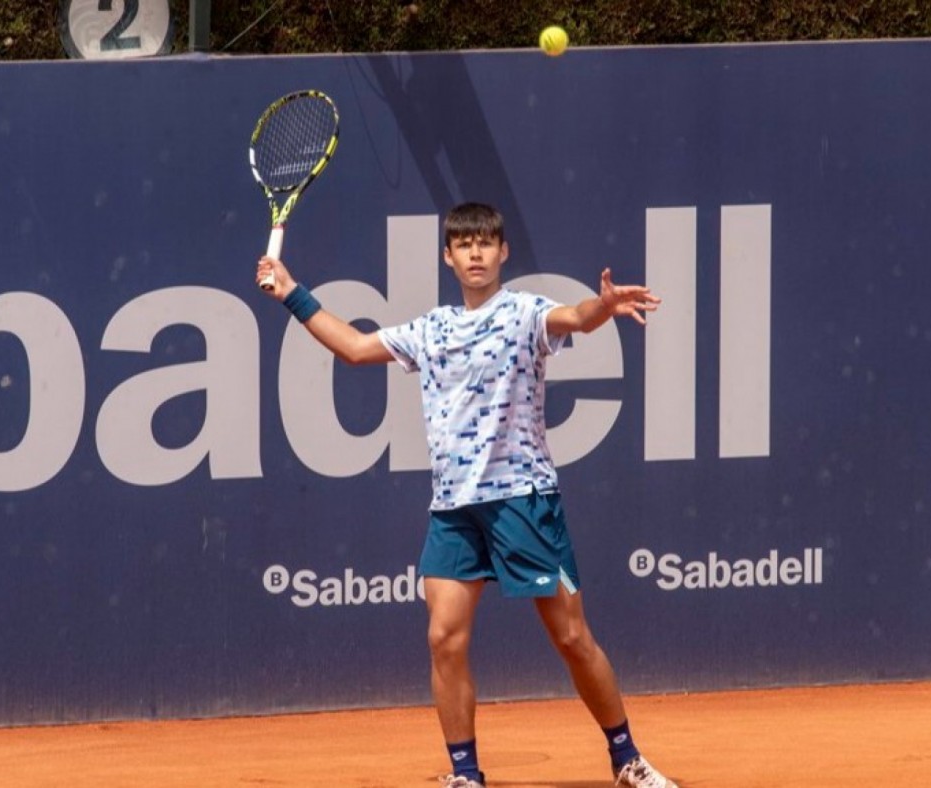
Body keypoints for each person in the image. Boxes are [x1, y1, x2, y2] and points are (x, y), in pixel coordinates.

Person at [255, 202, 676, 788]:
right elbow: (352, 348)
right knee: (443, 638)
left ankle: (626, 757)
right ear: (448, 257)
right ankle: (465, 774)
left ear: (503, 253)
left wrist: (602, 307)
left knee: (573, 638)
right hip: (453, 509)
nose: (476, 253)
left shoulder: (524, 313)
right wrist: (291, 292)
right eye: (464, 245)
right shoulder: (431, 330)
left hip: (523, 501)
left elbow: (575, 318)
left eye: (486, 244)